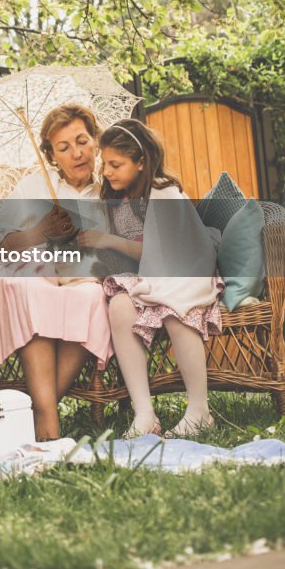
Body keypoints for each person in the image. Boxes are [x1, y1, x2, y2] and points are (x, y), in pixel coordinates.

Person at [0, 103, 113, 441]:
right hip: (25, 273)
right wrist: (41, 231)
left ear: (95, 141)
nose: (76, 153)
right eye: (63, 148)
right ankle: (48, 421)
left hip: (82, 277)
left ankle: (34, 413)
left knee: (92, 298)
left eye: (82, 141)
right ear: (51, 155)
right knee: (33, 290)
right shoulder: (34, 186)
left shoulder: (110, 189)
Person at [82, 119, 222, 439]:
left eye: (116, 164)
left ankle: (200, 411)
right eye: (106, 164)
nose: (107, 171)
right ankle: (144, 413)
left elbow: (173, 248)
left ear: (141, 162)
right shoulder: (117, 199)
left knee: (176, 309)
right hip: (145, 276)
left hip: (181, 270)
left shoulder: (163, 191)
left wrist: (108, 241)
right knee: (118, 305)